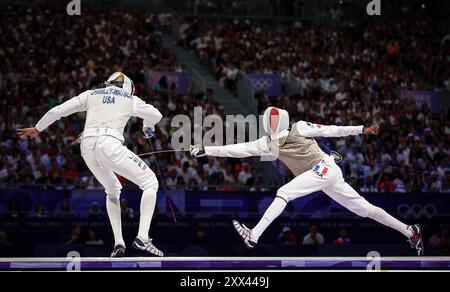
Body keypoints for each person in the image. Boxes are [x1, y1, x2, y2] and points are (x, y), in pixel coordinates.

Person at [191, 107, 424, 256]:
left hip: (325, 168)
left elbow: (331, 130)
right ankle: (409, 231)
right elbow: (237, 149)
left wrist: (361, 129)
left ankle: (254, 235)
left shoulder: (299, 128)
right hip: (325, 173)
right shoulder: (267, 143)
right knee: (366, 210)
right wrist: (206, 150)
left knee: (284, 191)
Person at [17, 72, 164, 258]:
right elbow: (156, 114)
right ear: (128, 87)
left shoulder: (91, 94)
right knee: (150, 182)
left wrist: (38, 128)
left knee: (113, 189)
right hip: (109, 145)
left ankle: (119, 243)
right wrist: (147, 126)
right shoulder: (130, 99)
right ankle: (143, 237)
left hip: (87, 148)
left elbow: (58, 110)